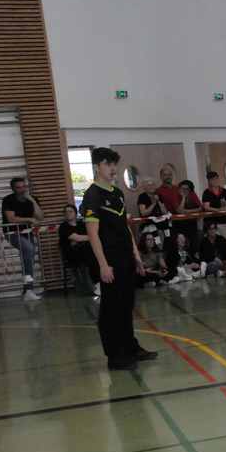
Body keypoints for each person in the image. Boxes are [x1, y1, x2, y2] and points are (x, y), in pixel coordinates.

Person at [80, 148, 155, 370]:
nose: (113, 169)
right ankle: (115, 355)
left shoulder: (118, 193)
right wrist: (103, 265)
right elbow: (93, 234)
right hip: (109, 260)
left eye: (114, 164)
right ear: (97, 167)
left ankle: (130, 347)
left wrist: (136, 254)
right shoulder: (92, 196)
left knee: (126, 304)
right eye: (108, 164)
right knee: (111, 308)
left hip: (125, 257)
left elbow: (125, 228)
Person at [1, 176, 45, 298]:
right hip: (12, 233)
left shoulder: (32, 199)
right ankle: (29, 290)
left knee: (29, 258)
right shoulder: (8, 200)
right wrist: (29, 219)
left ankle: (27, 290)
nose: (22, 190)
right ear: (13, 189)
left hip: (27, 232)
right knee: (29, 249)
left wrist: (33, 201)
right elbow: (11, 219)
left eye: (24, 186)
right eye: (19, 187)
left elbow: (40, 217)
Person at [58, 203, 97, 297]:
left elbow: (84, 237)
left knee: (92, 254)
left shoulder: (81, 224)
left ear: (75, 213)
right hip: (71, 253)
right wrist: (89, 238)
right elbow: (77, 238)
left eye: (70, 211)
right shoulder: (63, 227)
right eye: (66, 212)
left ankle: (96, 284)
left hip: (84, 250)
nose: (68, 213)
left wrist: (83, 239)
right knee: (84, 256)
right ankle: (91, 288)